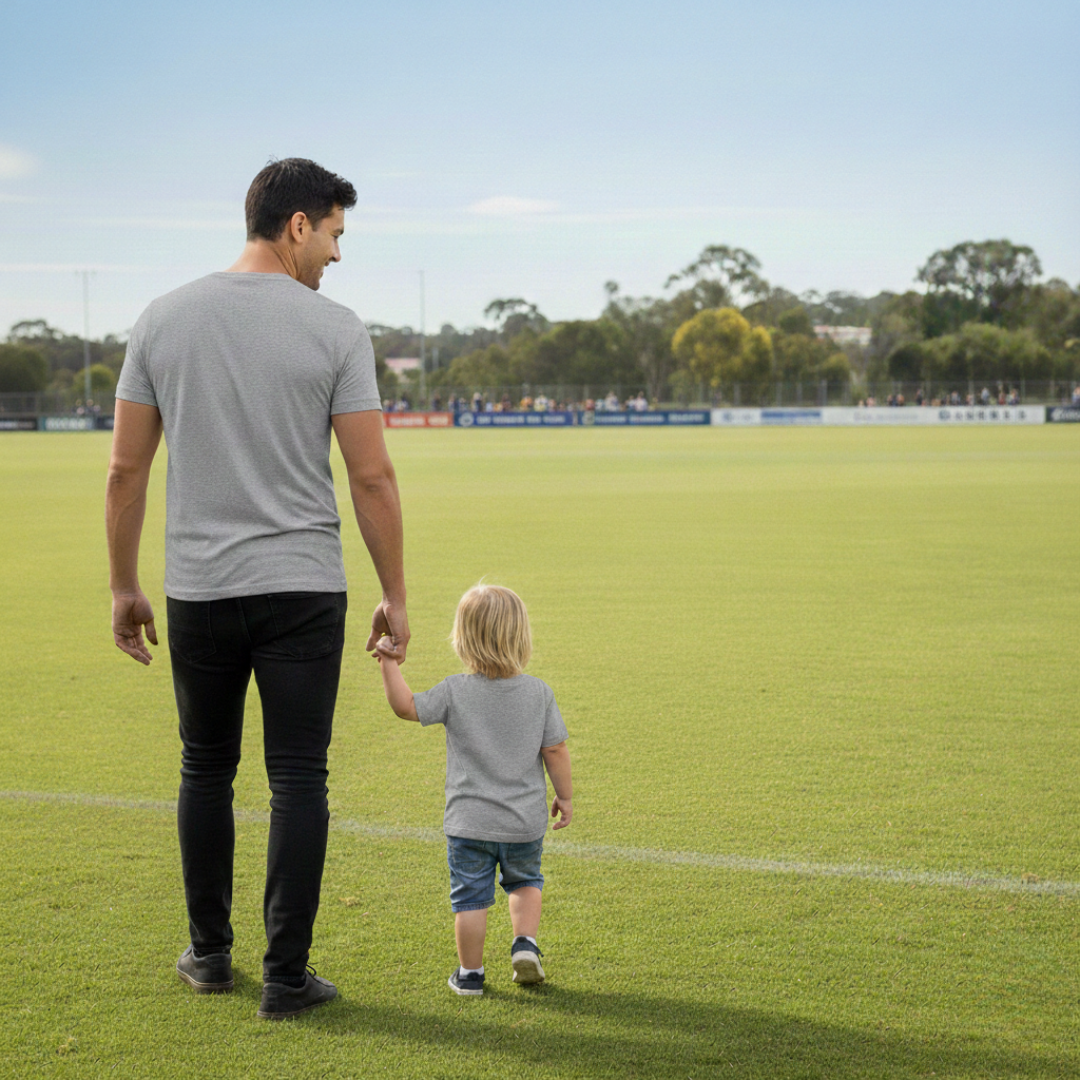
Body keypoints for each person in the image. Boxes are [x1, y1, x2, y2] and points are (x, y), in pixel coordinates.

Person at [105, 157, 409, 1020]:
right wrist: (395, 591)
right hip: (304, 588)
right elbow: (373, 477)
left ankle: (208, 957)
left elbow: (126, 469)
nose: (339, 258)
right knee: (298, 778)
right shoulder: (336, 330)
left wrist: (125, 586)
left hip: (199, 589)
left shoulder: (161, 319)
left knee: (205, 768)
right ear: (298, 225)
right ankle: (285, 978)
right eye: (337, 235)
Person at [375, 584, 572, 997]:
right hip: (523, 823)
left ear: (462, 638)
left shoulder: (454, 690)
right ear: (521, 637)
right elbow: (554, 749)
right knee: (525, 882)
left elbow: (406, 706)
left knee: (470, 901)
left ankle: (470, 975)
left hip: (468, 824)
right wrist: (565, 797)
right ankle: (525, 944)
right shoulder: (539, 692)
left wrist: (389, 663)